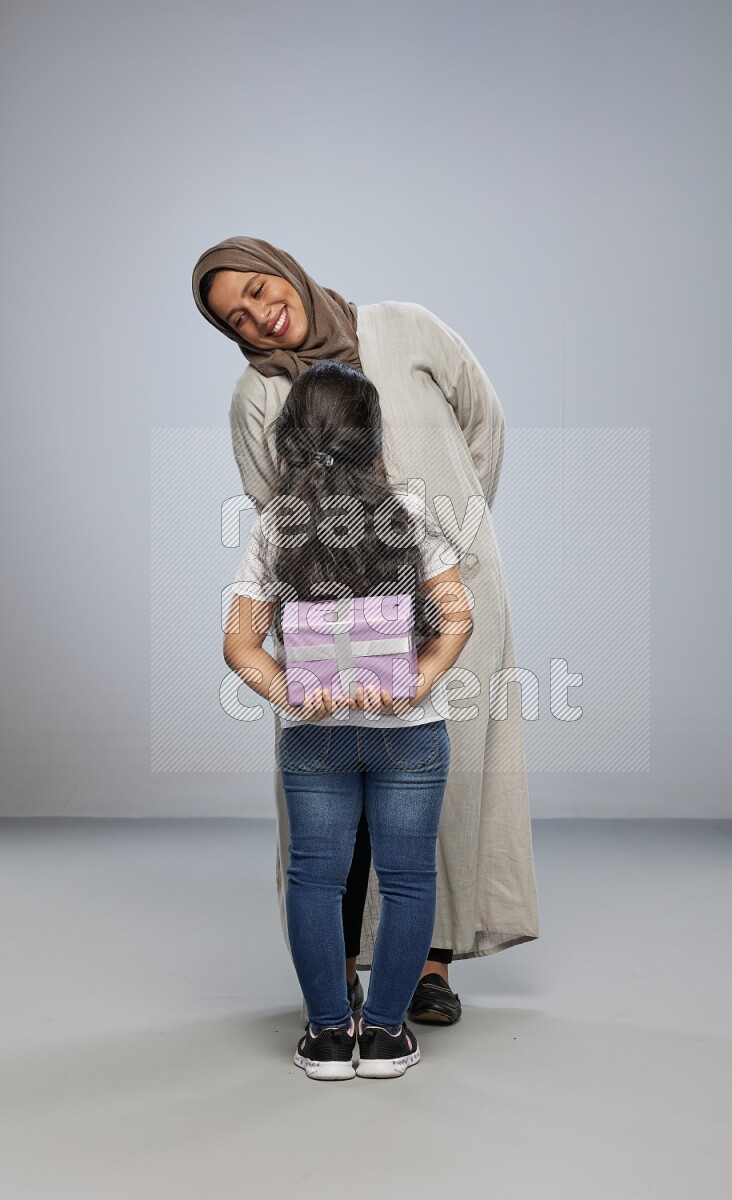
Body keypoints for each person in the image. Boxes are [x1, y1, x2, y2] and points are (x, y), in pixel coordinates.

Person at [192, 237, 539, 1029]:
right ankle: (341, 972)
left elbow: (483, 427)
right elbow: (271, 509)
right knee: (329, 817)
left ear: (282, 266)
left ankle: (428, 964)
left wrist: (444, 540)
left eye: (255, 287)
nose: (257, 312)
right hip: (329, 617)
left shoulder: (408, 330)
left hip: (451, 593)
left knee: (446, 788)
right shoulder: (256, 394)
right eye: (235, 316)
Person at [223, 360, 472, 1079]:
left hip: (316, 737)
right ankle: (387, 1038)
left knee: (315, 878)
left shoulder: (274, 527)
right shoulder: (412, 514)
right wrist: (417, 680)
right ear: (372, 438)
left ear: (289, 439)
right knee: (408, 880)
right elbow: (458, 616)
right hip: (411, 734)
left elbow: (240, 644)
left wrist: (294, 690)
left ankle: (330, 1037)